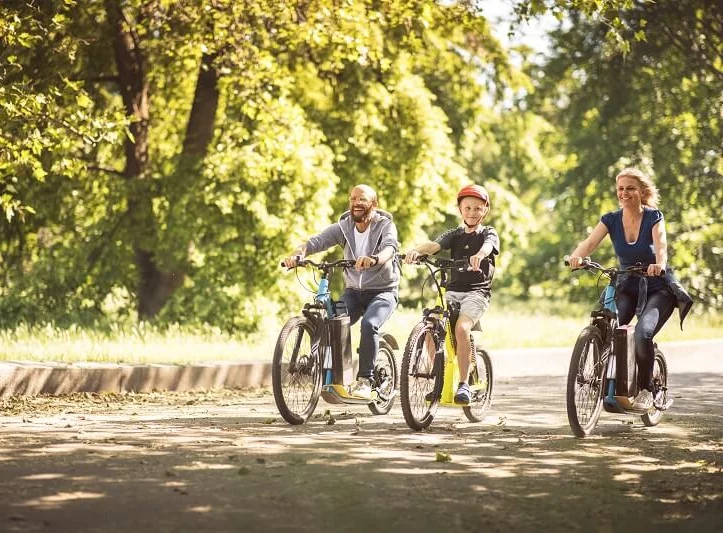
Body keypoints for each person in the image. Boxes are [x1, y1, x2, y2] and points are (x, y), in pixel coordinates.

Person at [568, 167, 692, 410]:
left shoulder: (654, 216)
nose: (624, 193)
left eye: (630, 188)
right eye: (620, 189)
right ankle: (608, 386)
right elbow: (590, 242)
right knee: (607, 327)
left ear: (642, 192)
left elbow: (662, 245)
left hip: (657, 287)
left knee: (642, 333)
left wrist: (659, 264)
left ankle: (647, 389)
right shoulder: (610, 219)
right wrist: (576, 257)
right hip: (627, 284)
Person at [282, 184, 400, 400]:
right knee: (334, 321)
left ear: (374, 204)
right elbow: (316, 242)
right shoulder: (343, 227)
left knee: (369, 324)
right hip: (354, 291)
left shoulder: (385, 225)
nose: (356, 203)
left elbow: (390, 248)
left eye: (362, 199)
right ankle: (337, 377)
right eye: (353, 198)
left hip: (383, 291)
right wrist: (298, 255)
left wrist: (374, 259)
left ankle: (366, 379)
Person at [404, 184, 500, 405]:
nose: (472, 212)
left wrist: (479, 256)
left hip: (477, 292)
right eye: (467, 207)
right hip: (452, 291)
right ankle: (440, 377)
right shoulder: (454, 234)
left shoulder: (488, 233)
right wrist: (415, 251)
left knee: (462, 328)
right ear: (460, 209)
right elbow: (434, 245)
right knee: (430, 325)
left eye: (477, 208)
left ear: (485, 210)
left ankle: (464, 384)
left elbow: (488, 247)